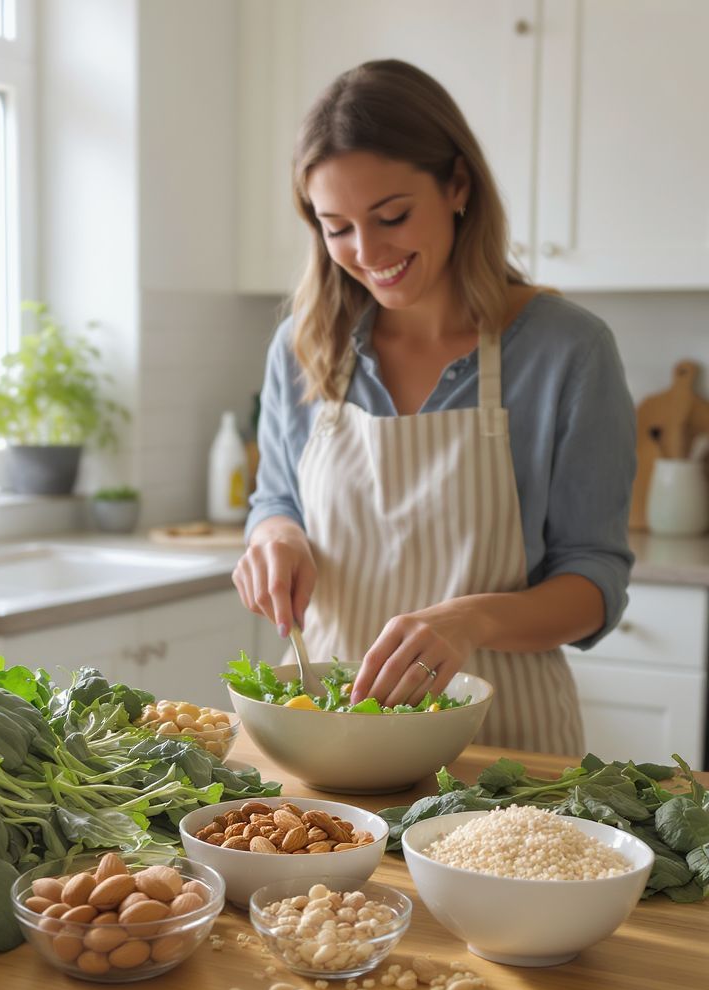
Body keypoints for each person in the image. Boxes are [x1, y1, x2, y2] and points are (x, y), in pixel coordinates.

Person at [231, 59, 635, 756]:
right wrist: (275, 539)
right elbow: (277, 500)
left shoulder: (568, 351)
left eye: (391, 216)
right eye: (337, 228)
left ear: (457, 185)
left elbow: (595, 582)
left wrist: (470, 621)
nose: (368, 252)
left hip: (505, 747)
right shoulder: (306, 345)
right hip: (330, 738)